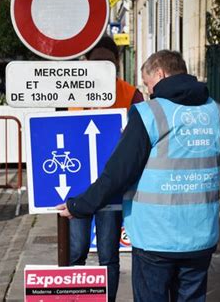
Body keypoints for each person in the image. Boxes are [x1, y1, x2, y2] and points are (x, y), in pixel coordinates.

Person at [58, 50, 220, 302]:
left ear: (160, 74)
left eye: (149, 84)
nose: (149, 91)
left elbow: (118, 173)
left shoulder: (148, 114)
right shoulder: (219, 112)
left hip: (156, 237)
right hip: (201, 235)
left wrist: (80, 205)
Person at [67, 36, 143, 302]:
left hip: (111, 188)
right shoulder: (68, 90)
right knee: (75, 251)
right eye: (96, 62)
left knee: (108, 255)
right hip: (77, 187)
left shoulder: (130, 93)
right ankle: (75, 298)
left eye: (108, 63)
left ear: (117, 63)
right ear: (85, 63)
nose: (102, 68)